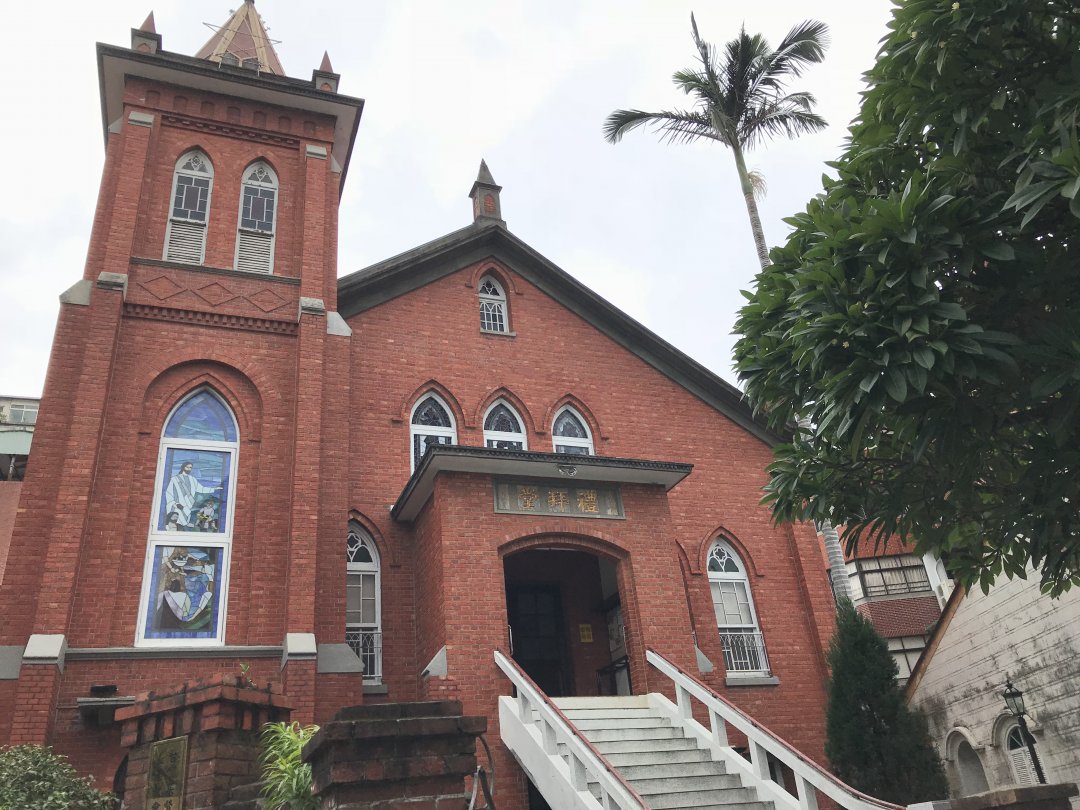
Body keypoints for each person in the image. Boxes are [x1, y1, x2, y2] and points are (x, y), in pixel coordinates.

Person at [164, 461, 221, 529]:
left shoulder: (192, 479)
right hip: (178, 504)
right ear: (183, 467)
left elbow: (201, 488)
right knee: (177, 520)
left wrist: (214, 489)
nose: (189, 469)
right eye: (187, 467)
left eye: (190, 467)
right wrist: (174, 503)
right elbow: (169, 493)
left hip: (189, 503)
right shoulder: (174, 479)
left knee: (187, 517)